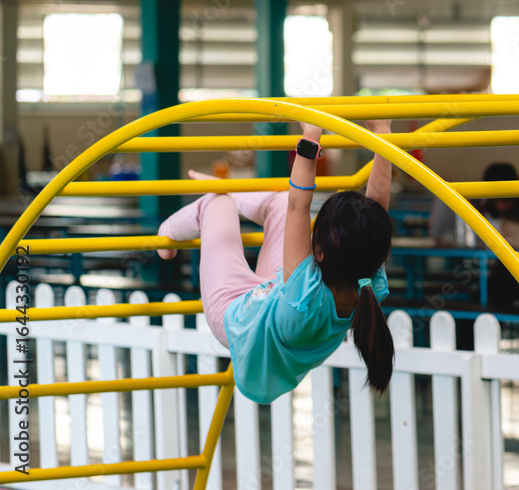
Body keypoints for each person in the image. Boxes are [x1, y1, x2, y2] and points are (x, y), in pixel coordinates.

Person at [156, 119, 395, 402]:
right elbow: (375, 208)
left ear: (318, 251)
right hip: (272, 295)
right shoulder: (368, 282)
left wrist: (310, 138)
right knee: (281, 203)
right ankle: (228, 189)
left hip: (235, 314)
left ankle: (170, 230)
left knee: (218, 202)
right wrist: (382, 133)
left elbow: (300, 205)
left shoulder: (304, 296)